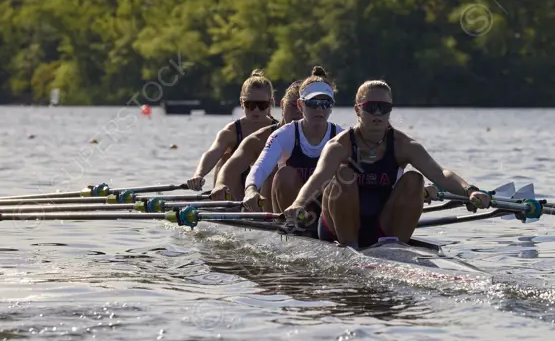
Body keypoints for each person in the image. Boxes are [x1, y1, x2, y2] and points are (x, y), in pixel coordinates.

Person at [282, 79, 491, 248]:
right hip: (337, 228)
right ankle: (350, 246)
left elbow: (440, 175)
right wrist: (298, 203)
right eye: (371, 107)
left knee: (414, 180)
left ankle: (395, 247)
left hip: (382, 225)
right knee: (343, 175)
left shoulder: (404, 145)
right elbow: (318, 178)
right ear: (357, 110)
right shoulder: (340, 146)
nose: (378, 114)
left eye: (384, 108)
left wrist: (470, 191)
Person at [242, 66, 341, 213]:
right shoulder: (284, 135)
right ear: (301, 105)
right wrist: (251, 189)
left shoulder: (340, 136)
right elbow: (260, 167)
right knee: (284, 174)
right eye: (313, 103)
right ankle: (294, 227)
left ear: (331, 107)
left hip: (325, 211)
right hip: (291, 209)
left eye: (326, 104)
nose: (320, 110)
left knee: (344, 176)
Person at [208, 80, 305, 201]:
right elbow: (228, 169)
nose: (298, 111)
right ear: (282, 105)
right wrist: (220, 184)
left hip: (307, 205)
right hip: (267, 206)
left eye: (305, 106)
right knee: (279, 172)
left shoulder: (329, 136)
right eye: (293, 105)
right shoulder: (257, 139)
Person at [185, 70, 278, 191]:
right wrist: (198, 175)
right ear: (241, 102)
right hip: (235, 189)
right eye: (250, 104)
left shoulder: (280, 130)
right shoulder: (231, 131)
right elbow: (212, 153)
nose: (255, 110)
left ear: (270, 103)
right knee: (225, 159)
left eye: (262, 105)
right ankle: (225, 202)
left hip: (266, 190)